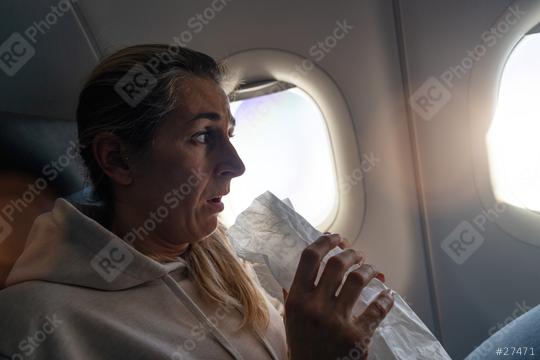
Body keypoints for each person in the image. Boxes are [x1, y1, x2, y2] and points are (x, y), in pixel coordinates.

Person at [0, 44, 394, 360]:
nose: (236, 165)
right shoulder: (35, 323)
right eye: (203, 136)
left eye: (229, 135)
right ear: (117, 159)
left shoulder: (222, 258)